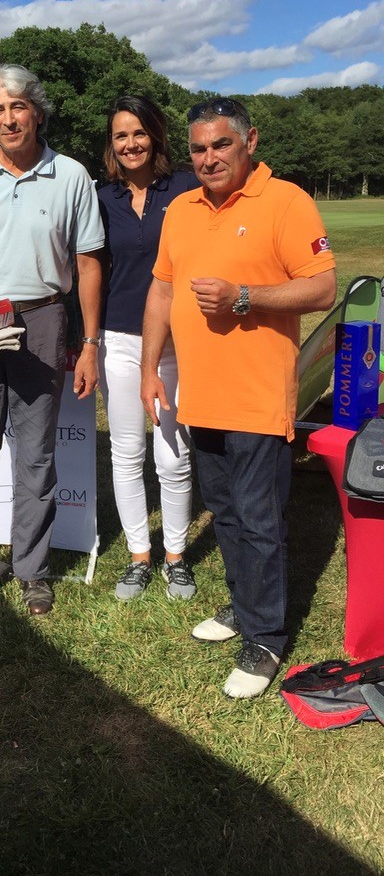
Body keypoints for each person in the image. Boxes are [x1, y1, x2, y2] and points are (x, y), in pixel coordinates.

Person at [141, 97, 336, 698]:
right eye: (198, 149)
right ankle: (244, 604)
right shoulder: (182, 209)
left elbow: (323, 287)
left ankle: (266, 637)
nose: (209, 158)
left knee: (259, 519)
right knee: (225, 512)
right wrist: (149, 368)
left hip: (257, 397)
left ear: (249, 141)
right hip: (200, 395)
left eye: (221, 144)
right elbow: (162, 291)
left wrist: (243, 298)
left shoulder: (286, 201)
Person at [0, 64, 104, 622]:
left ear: (38, 113)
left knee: (35, 458)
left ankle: (32, 571)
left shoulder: (71, 174)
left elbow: (88, 263)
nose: (8, 119)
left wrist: (90, 343)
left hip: (44, 320)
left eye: (18, 107)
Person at [97, 95, 198, 602]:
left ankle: (176, 556)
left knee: (173, 455)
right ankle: (140, 555)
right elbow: (89, 269)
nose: (131, 144)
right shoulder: (102, 197)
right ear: (111, 144)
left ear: (155, 136)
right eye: (121, 135)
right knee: (126, 451)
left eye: (139, 133)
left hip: (176, 342)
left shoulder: (186, 187)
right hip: (118, 339)